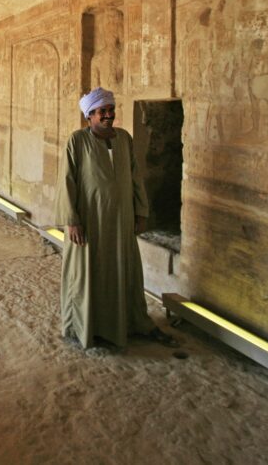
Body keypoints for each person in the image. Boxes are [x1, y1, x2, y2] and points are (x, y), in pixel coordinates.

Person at [56, 86, 178, 350]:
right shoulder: (77, 141)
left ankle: (126, 323)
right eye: (102, 111)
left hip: (121, 220)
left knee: (122, 270)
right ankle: (88, 327)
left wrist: (140, 211)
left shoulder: (124, 139)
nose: (108, 115)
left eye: (110, 109)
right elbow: (66, 182)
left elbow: (135, 176)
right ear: (90, 115)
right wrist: (72, 220)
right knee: (88, 272)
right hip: (90, 220)